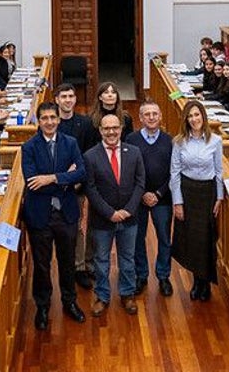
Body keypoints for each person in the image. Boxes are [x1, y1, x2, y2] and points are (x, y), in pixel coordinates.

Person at [21, 101, 87, 330]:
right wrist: (66, 178)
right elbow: (32, 181)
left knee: (67, 262)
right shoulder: (29, 147)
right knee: (42, 265)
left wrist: (51, 178)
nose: (49, 122)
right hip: (40, 214)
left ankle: (69, 301)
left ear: (59, 120)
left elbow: (81, 172)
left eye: (53, 118)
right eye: (44, 118)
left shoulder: (71, 143)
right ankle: (42, 306)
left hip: (66, 213)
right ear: (38, 122)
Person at [84, 114, 145, 317]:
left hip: (129, 217)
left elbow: (140, 183)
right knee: (101, 260)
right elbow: (90, 189)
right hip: (102, 219)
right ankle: (102, 296)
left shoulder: (134, 152)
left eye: (115, 128)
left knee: (127, 259)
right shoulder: (90, 156)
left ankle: (127, 293)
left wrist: (128, 210)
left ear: (121, 129)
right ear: (100, 130)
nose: (111, 132)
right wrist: (110, 213)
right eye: (106, 128)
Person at [170, 100, 224, 302]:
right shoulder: (179, 142)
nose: (194, 119)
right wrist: (178, 202)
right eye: (190, 116)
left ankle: (205, 282)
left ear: (203, 116)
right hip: (188, 192)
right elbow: (174, 173)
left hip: (207, 193)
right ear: (185, 119)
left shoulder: (215, 141)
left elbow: (219, 171)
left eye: (197, 114)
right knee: (191, 239)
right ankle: (196, 280)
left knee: (205, 239)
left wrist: (219, 197)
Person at [126, 101, 175, 297]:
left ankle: (163, 276)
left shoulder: (170, 141)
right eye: (147, 114)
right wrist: (143, 193)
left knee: (164, 238)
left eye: (155, 113)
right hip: (138, 198)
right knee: (137, 238)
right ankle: (141, 275)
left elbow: (174, 172)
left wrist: (158, 194)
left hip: (163, 198)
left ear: (160, 116)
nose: (151, 117)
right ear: (140, 118)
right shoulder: (131, 139)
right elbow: (129, 171)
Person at [54, 83, 99, 290]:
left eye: (71, 96)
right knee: (58, 229)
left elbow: (89, 154)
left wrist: (77, 177)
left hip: (78, 184)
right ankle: (65, 268)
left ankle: (79, 267)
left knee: (78, 226)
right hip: (54, 185)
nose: (68, 100)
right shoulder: (51, 122)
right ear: (57, 100)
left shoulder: (86, 123)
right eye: (64, 96)